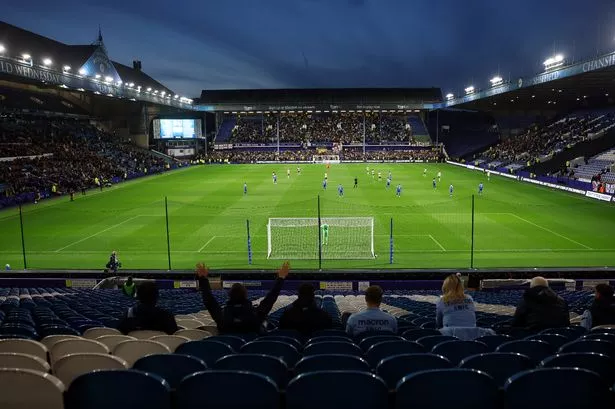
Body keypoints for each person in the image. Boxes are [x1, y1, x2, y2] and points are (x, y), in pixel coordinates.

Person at [196, 261, 289, 334]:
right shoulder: (255, 314)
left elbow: (209, 301)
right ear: (245, 294)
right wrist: (281, 278)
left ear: (229, 295)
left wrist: (203, 278)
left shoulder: (222, 316)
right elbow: (271, 298)